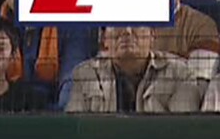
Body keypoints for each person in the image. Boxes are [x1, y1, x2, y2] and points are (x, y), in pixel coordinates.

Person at [65, 25, 206, 113]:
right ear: (104, 39)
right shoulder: (85, 74)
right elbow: (76, 134)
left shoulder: (180, 74)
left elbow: (182, 135)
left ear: (152, 35)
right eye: (118, 23)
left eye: (137, 22)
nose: (127, 31)